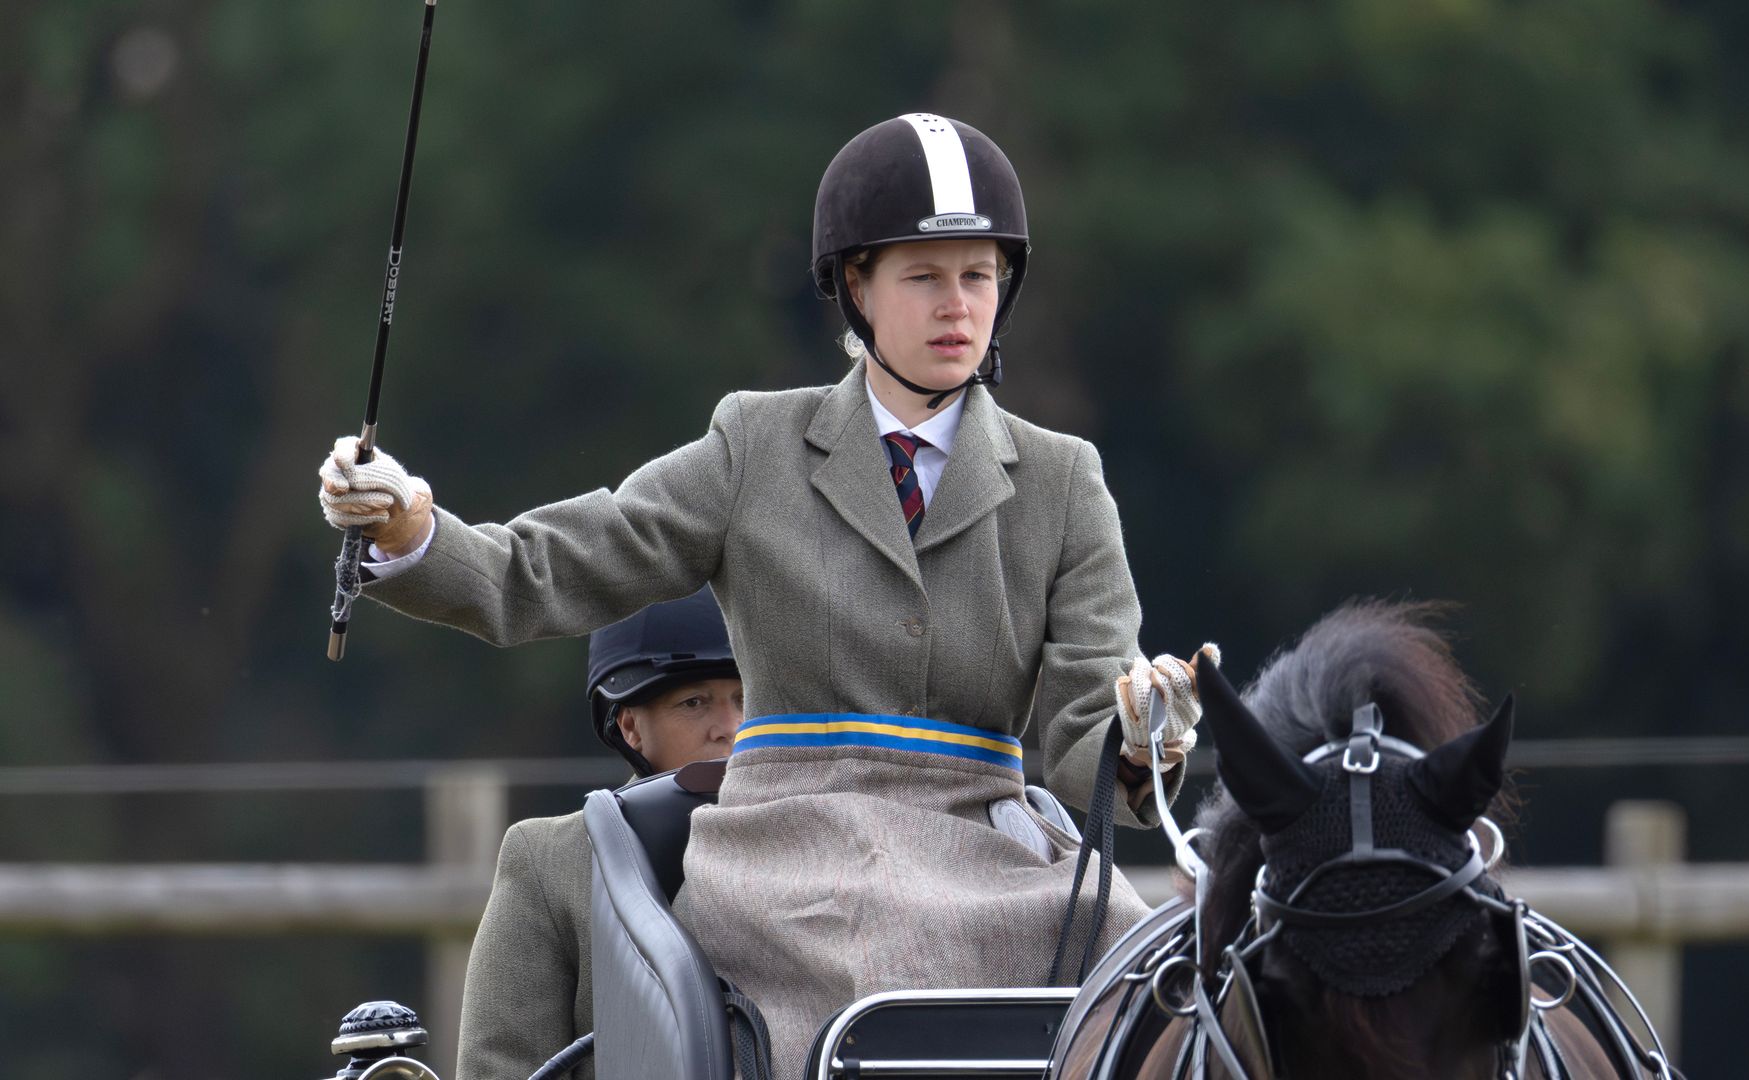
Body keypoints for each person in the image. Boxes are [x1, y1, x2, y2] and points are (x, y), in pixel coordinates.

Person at [317, 112, 1213, 1077]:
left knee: (1167, 971)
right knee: (885, 950)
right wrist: (414, 533)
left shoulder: (1065, 480)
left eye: (979, 276)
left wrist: (1141, 735)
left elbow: (1084, 736)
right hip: (798, 845)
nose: (958, 306)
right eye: (924, 277)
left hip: (996, 851)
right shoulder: (756, 446)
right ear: (857, 287)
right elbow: (564, 562)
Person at [456, 587, 741, 1080]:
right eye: (694, 702)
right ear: (631, 727)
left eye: (745, 699)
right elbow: (502, 1067)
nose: (730, 727)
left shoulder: (831, 838)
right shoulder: (551, 861)